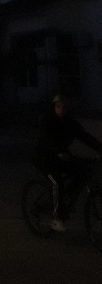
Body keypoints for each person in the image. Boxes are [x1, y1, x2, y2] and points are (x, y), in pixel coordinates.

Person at [34, 95, 102, 230]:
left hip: (62, 158)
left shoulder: (70, 123)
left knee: (84, 170)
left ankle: (64, 197)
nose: (61, 109)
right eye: (58, 106)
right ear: (53, 107)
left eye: (64, 107)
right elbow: (47, 139)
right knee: (57, 183)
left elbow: (86, 138)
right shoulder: (47, 121)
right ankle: (56, 218)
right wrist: (58, 151)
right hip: (45, 159)